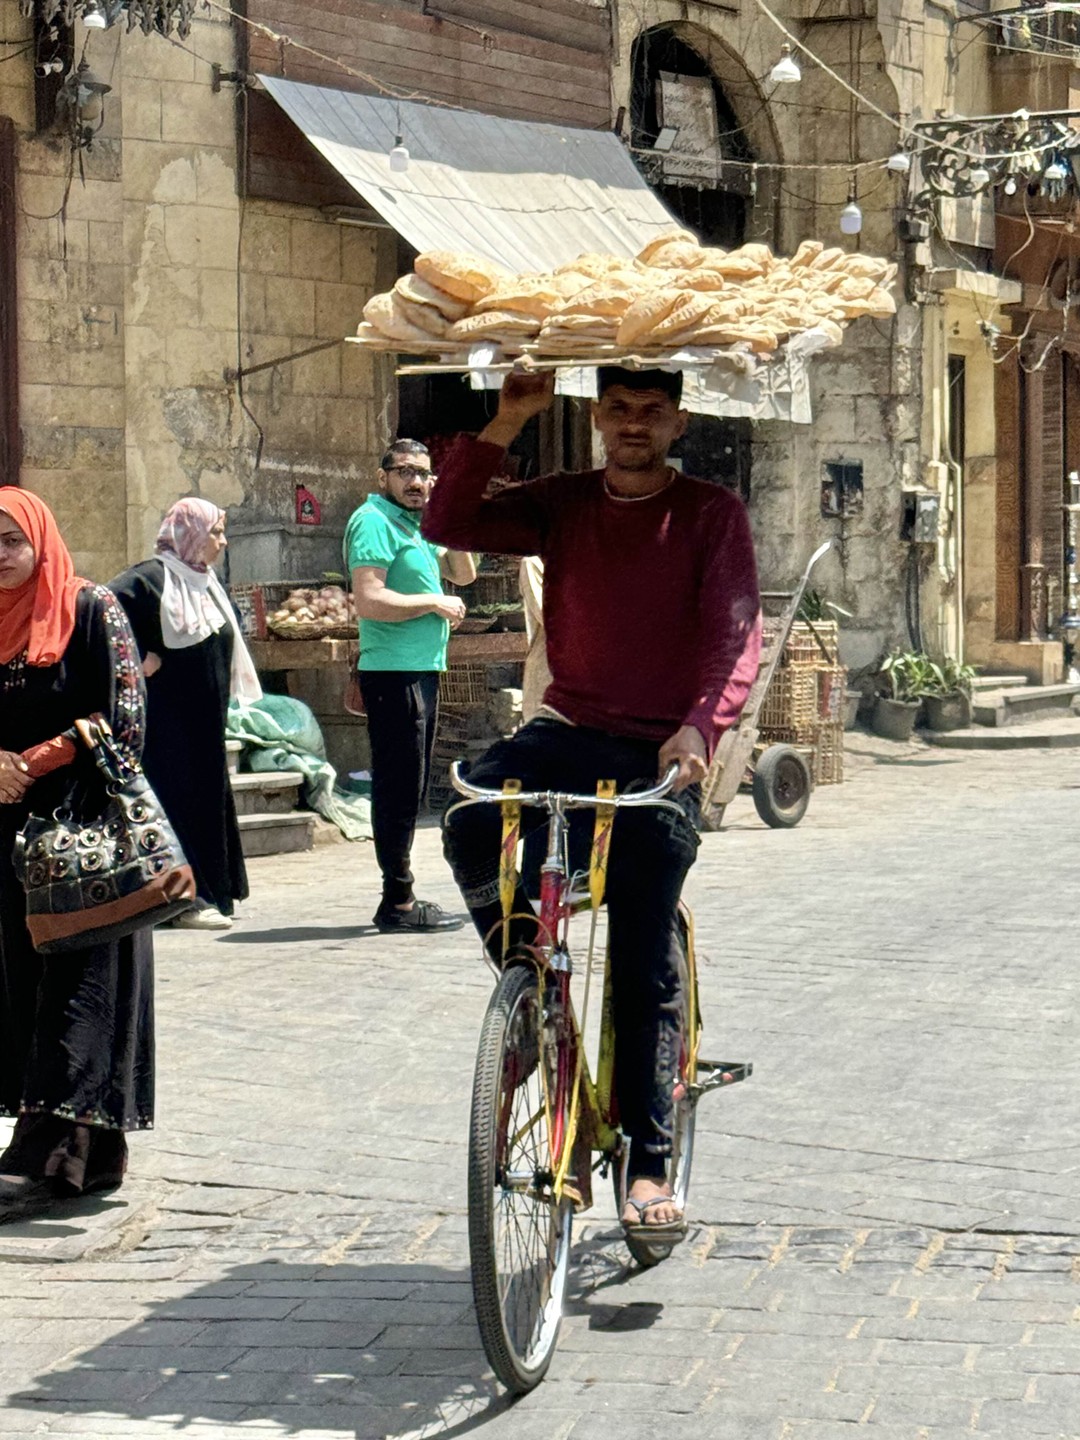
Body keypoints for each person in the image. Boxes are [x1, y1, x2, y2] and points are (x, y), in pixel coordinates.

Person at [422, 367, 762, 1238]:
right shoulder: (564, 500)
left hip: (663, 751)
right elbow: (450, 521)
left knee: (643, 956)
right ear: (598, 417)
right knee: (467, 818)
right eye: (618, 410)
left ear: (679, 422)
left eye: (652, 412)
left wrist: (698, 729)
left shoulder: (711, 514)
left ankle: (648, 1166)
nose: (634, 425)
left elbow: (735, 634)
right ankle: (526, 993)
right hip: (568, 730)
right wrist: (507, 417)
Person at [0, 489, 153, 1209]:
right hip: (6, 838)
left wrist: (37, 760)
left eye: (9, 540)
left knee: (81, 990)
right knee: (23, 988)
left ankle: (49, 1156)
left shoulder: (92, 610)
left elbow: (123, 721)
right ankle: (75, 1156)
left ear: (39, 539)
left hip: (81, 842)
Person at [110, 499, 261, 932]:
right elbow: (102, 617)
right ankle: (182, 901)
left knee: (206, 803)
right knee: (177, 805)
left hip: (206, 725)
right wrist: (138, 658)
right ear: (191, 534)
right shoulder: (148, 580)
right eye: (216, 533)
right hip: (167, 728)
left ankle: (214, 891)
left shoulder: (206, 582)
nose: (223, 542)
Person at [346, 440, 476, 933]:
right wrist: (432, 602)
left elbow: (462, 572)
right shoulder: (373, 521)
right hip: (392, 671)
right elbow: (370, 598)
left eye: (423, 473)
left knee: (412, 786)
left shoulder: (419, 524)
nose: (415, 481)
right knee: (399, 787)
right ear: (383, 478)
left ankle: (400, 895)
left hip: (422, 667)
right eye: (403, 472)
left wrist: (447, 516)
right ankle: (396, 902)